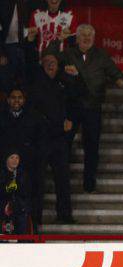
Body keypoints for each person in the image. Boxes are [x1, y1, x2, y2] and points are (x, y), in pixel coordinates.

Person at [47, 24, 123, 193]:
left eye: (90, 34)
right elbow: (49, 59)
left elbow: (116, 73)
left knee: (92, 147)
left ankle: (89, 184)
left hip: (93, 107)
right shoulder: (67, 54)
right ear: (77, 37)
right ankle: (62, 181)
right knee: (64, 144)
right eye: (83, 34)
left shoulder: (101, 55)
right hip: (72, 107)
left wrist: (119, 80)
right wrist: (58, 41)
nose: (87, 37)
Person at [27, 53, 76, 224]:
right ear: (42, 65)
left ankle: (65, 215)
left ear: (58, 65)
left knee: (62, 179)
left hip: (59, 139)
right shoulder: (35, 84)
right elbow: (32, 110)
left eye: (53, 62)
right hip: (41, 138)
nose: (50, 65)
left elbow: (75, 99)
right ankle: (35, 218)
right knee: (38, 180)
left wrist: (70, 119)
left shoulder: (64, 82)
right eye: (47, 62)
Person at [0, 149, 31, 234]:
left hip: (19, 210)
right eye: (12, 157)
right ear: (6, 159)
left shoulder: (22, 174)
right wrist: (6, 189)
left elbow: (27, 193)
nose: (15, 160)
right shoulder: (2, 173)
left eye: (17, 158)